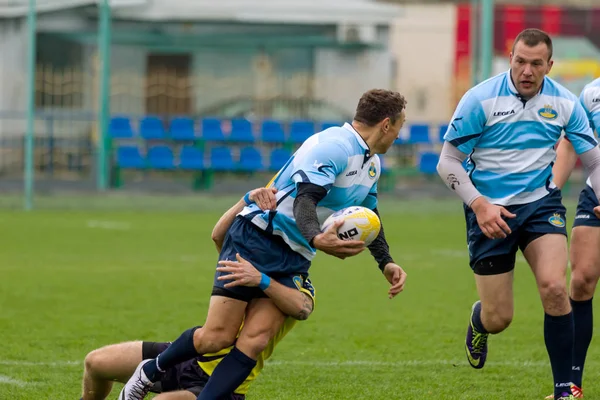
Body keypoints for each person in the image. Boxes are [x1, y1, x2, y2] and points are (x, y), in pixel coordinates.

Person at [120, 89, 409, 400]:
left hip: (295, 253)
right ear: (386, 124)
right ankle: (149, 371)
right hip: (257, 236)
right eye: (399, 127)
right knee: (216, 338)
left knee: (255, 340)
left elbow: (369, 216)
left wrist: (385, 262)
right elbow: (305, 199)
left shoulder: (372, 164)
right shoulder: (334, 146)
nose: (398, 135)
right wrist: (316, 237)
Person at [436, 28, 600, 400]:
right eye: (521, 61)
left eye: (536, 64)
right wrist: (479, 204)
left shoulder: (565, 102)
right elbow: (448, 162)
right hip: (489, 211)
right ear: (510, 58)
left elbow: (592, 160)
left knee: (556, 288)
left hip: (541, 205)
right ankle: (480, 320)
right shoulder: (479, 100)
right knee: (500, 318)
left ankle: (564, 391)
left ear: (549, 65)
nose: (527, 70)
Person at [81, 188, 316, 400]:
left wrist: (261, 280)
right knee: (96, 363)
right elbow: (218, 236)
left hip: (223, 384)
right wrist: (245, 201)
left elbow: (302, 307)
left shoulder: (292, 280)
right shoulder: (242, 257)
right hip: (188, 358)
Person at [543, 76, 600, 399]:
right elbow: (570, 142)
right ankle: (573, 385)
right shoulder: (592, 93)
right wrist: (550, 191)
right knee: (580, 281)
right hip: (596, 193)